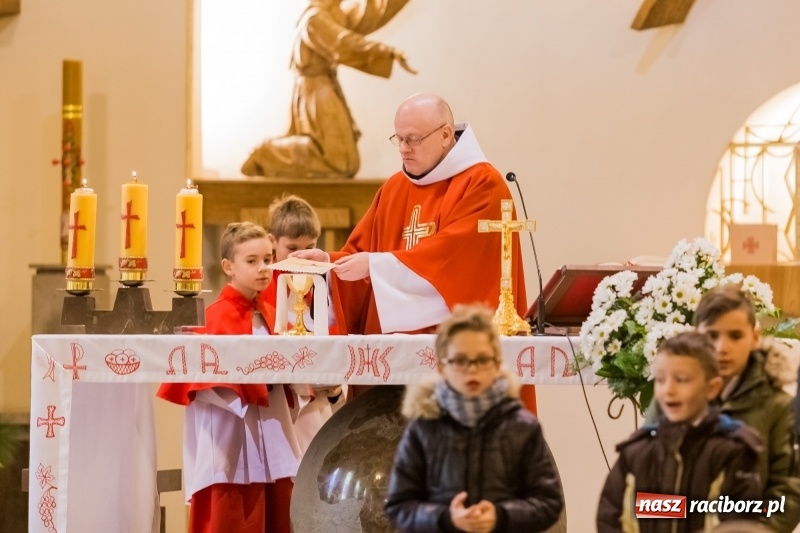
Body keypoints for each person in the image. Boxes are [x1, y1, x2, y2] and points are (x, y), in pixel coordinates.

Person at [292, 92, 528, 337]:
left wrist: (374, 266)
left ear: (445, 134)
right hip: (390, 357)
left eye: (413, 139)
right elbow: (361, 256)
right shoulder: (394, 188)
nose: (404, 149)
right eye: (400, 138)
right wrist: (330, 267)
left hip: (457, 350)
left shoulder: (482, 184)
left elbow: (453, 265)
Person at [157, 222, 301, 533]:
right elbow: (199, 386)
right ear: (228, 267)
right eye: (252, 261)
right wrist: (253, 387)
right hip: (230, 441)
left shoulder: (275, 313)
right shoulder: (213, 318)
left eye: (268, 259)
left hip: (272, 432)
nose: (264, 268)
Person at [384, 304, 563, 533]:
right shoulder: (423, 427)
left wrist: (501, 516)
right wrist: (447, 519)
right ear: (441, 368)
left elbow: (549, 503)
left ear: (497, 365)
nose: (472, 370)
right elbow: (399, 507)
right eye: (460, 360)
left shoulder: (522, 427)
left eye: (482, 360)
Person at [597, 331, 764, 532]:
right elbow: (611, 518)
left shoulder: (732, 452)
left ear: (712, 388)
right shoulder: (636, 453)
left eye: (682, 379)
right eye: (660, 380)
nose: (669, 390)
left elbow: (739, 523)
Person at [241, 0, 416, 179]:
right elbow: (342, 44)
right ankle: (266, 153)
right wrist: (385, 51)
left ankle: (270, 154)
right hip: (315, 92)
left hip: (323, 88)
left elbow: (373, 11)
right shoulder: (314, 20)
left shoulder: (332, 15)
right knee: (341, 162)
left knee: (343, 162)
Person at [694, 285, 800, 532]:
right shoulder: (674, 398)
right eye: (712, 336)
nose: (722, 348)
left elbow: (790, 488)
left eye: (735, 336)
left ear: (754, 337)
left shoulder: (778, 405)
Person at [260, 194, 345, 453]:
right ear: (272, 243)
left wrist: (335, 386)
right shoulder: (262, 291)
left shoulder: (320, 288)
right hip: (280, 408)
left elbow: (337, 338)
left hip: (321, 404)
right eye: (293, 249)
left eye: (311, 246)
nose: (303, 257)